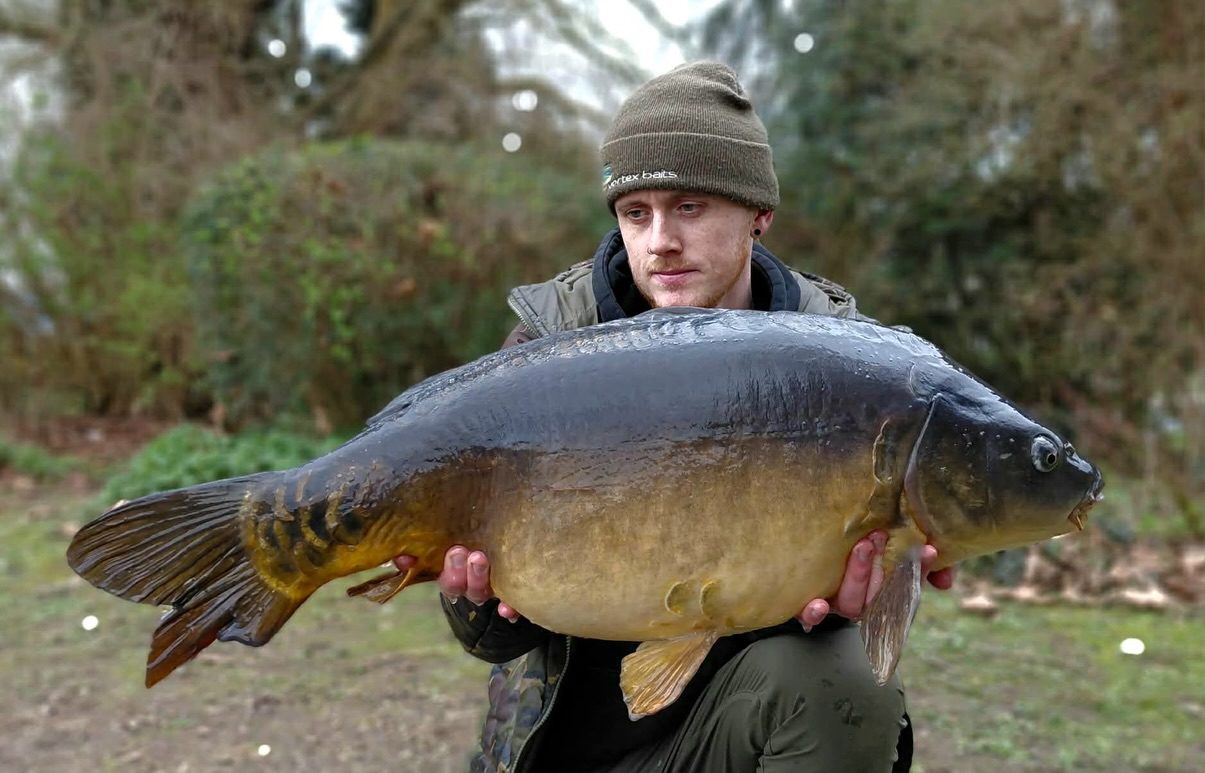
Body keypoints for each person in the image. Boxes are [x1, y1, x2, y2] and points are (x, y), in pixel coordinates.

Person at [396, 61, 954, 773]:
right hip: (563, 750)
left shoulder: (848, 371)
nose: (659, 240)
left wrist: (851, 604)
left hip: (733, 733)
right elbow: (492, 643)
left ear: (758, 213)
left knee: (842, 680)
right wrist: (474, 598)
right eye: (637, 213)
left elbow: (841, 596)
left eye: (688, 207)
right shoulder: (547, 352)